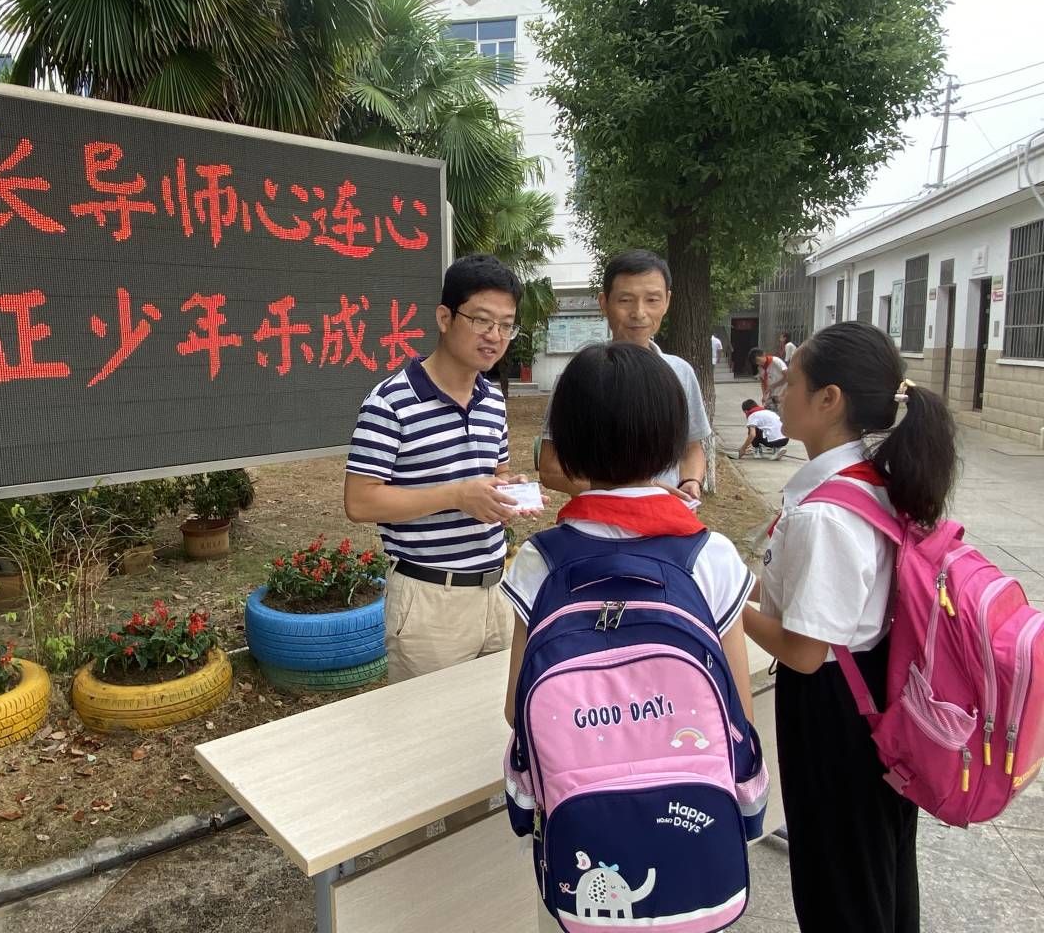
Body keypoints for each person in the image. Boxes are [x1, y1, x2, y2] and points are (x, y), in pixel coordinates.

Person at [501, 343, 758, 933]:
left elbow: (518, 707)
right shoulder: (709, 556)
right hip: (694, 834)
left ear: (566, 450)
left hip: (581, 835)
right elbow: (737, 709)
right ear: (671, 444)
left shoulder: (541, 562)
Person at [743, 321, 957, 933]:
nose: (780, 391)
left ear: (828, 399)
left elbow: (805, 651)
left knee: (839, 884)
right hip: (877, 692)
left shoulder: (826, 516)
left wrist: (725, 603)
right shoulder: (874, 482)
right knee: (876, 870)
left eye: (792, 381)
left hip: (837, 714)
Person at [344, 254, 541, 683]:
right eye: (482, 320)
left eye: (506, 325)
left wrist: (507, 489)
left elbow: (495, 473)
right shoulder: (389, 403)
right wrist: (456, 495)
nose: (495, 336)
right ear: (445, 318)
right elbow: (359, 502)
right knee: (427, 721)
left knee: (492, 715)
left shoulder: (492, 399)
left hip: (496, 590)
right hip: (429, 599)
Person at [538, 250, 709, 504]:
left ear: (667, 301)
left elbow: (692, 447)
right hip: (601, 519)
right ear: (604, 302)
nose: (639, 312)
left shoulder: (681, 372)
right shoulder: (581, 376)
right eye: (626, 300)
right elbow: (550, 468)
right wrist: (631, 492)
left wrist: (691, 481)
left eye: (652, 300)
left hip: (668, 517)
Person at [749, 346, 788, 410]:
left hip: (783, 393)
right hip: (773, 395)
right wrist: (764, 395)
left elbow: (788, 376)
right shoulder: (760, 368)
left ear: (763, 355)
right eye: (756, 362)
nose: (758, 363)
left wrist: (773, 385)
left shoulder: (776, 361)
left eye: (758, 360)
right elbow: (763, 383)